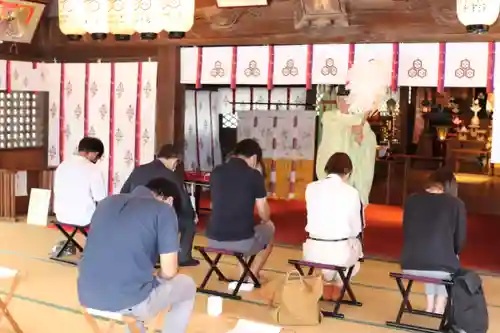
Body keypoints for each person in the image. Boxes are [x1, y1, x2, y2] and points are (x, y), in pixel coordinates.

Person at [78, 178, 196, 333]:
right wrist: (158, 277)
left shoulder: (107, 202)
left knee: (137, 283)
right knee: (187, 285)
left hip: (87, 296)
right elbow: (169, 272)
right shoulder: (164, 210)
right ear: (169, 200)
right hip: (129, 302)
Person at [315, 59, 391, 206]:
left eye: (346, 99)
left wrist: (361, 139)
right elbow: (325, 147)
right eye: (340, 99)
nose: (343, 102)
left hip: (351, 179)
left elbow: (368, 146)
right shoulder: (330, 119)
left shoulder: (361, 122)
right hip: (329, 176)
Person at [401, 168, 467, 314]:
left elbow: (406, 232)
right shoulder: (456, 204)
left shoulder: (412, 200)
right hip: (442, 267)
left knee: (428, 250)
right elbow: (459, 242)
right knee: (444, 257)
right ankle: (439, 306)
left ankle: (430, 305)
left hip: (410, 264)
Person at [120, 144, 199, 267]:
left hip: (134, 217)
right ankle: (183, 257)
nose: (176, 165)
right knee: (189, 222)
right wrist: (192, 215)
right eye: (176, 162)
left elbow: (124, 192)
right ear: (173, 158)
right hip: (156, 219)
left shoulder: (139, 170)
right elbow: (184, 201)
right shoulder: (171, 175)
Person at [207, 139, 274, 279]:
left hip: (212, 239)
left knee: (244, 228)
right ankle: (253, 274)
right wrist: (265, 220)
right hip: (241, 242)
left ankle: (244, 273)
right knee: (269, 228)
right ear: (254, 158)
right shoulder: (254, 175)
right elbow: (264, 214)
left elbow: (214, 205)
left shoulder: (216, 172)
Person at [303, 152, 363, 300]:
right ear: (347, 172)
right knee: (356, 249)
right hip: (339, 253)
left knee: (342, 247)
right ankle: (338, 285)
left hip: (312, 251)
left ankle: (326, 282)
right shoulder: (352, 192)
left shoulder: (311, 188)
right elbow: (356, 229)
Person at [53, 137, 107, 254]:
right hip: (83, 217)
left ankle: (67, 246)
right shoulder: (93, 169)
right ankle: (99, 249)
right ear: (95, 154)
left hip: (61, 215)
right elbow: (101, 198)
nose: (97, 160)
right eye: (98, 157)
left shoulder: (62, 165)